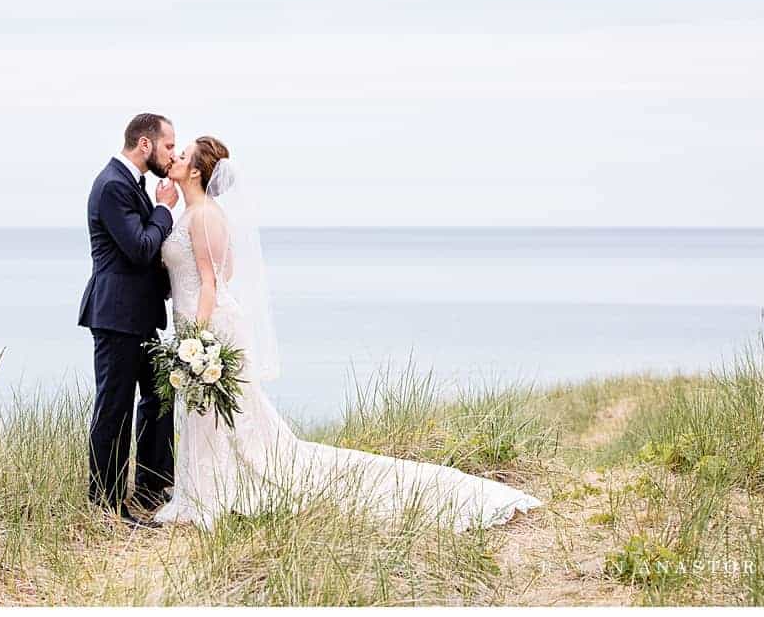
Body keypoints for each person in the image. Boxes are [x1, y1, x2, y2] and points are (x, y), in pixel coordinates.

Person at [152, 136, 543, 532]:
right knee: (215, 416)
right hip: (205, 322)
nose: (175, 158)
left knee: (219, 415)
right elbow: (227, 271)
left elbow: (210, 282)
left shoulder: (202, 215)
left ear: (197, 171)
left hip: (206, 329)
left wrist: (196, 340)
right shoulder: (197, 212)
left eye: (182, 155)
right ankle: (208, 488)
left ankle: (212, 494)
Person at [78, 112, 180, 528]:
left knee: (160, 397)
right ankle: (106, 504)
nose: (172, 153)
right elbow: (139, 248)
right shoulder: (112, 187)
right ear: (145, 144)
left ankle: (153, 485)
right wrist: (164, 211)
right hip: (116, 316)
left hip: (140, 317)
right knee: (114, 409)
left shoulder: (129, 183)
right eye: (169, 146)